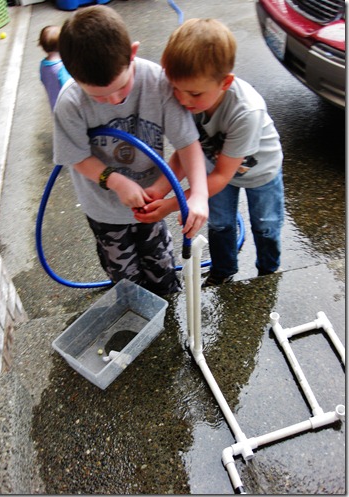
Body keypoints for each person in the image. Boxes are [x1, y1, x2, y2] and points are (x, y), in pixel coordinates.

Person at [53, 6, 209, 296]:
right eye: (97, 96)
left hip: (151, 206)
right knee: (124, 277)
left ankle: (167, 306)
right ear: (71, 74)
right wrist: (116, 180)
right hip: (103, 211)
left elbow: (188, 143)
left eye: (121, 87)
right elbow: (75, 157)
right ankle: (135, 308)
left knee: (161, 265)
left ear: (133, 52)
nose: (112, 100)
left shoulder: (158, 84)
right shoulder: (70, 103)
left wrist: (198, 192)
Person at [135, 18, 284, 287]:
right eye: (175, 89)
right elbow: (183, 151)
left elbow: (223, 176)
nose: (182, 100)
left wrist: (170, 205)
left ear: (225, 82)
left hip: (259, 171)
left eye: (193, 93)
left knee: (266, 225)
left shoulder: (245, 111)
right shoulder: (185, 97)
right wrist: (159, 188)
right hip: (214, 168)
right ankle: (223, 270)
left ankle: (268, 273)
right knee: (219, 224)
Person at [39, 25, 71, 111]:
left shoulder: (43, 65)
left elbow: (43, 80)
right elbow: (69, 88)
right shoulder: (62, 67)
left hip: (54, 105)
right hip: (67, 108)